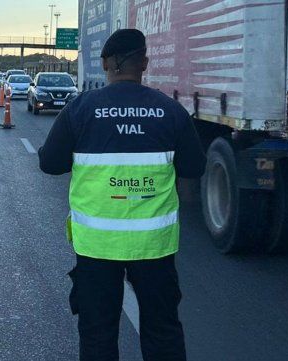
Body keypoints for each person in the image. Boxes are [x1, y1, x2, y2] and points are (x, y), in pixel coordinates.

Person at [38, 29, 206, 361]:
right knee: (163, 331)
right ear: (144, 62)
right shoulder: (170, 111)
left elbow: (49, 164)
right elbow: (194, 167)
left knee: (98, 334)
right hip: (155, 247)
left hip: (97, 247)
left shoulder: (82, 108)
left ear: (105, 64)